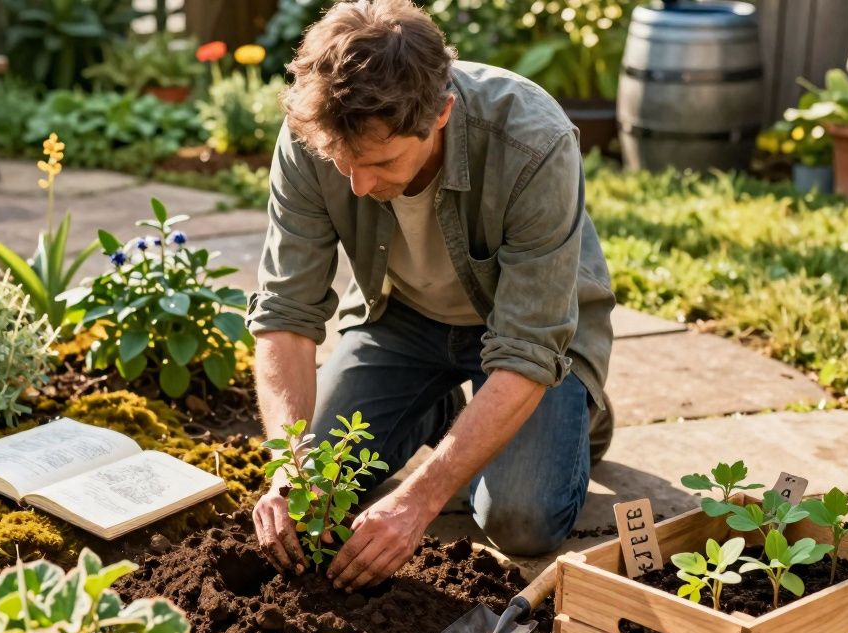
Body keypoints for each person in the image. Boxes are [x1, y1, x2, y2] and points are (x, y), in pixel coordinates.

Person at [245, 0, 616, 592]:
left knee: (519, 520)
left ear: (441, 113)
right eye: (341, 163)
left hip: (526, 337)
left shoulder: (532, 140)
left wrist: (420, 499)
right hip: (402, 322)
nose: (359, 186)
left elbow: (527, 346)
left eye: (381, 161)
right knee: (324, 490)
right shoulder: (312, 135)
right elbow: (286, 314)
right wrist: (289, 471)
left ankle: (578, 413)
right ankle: (441, 409)